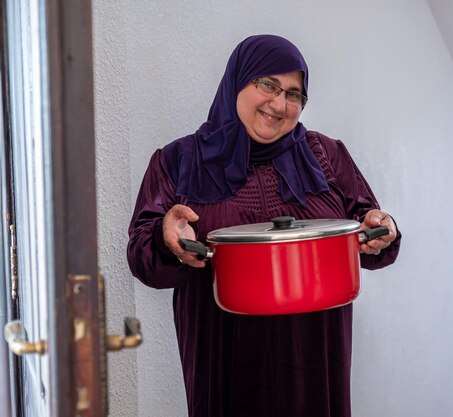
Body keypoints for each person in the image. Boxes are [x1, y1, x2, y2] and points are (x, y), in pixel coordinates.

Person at [127, 34, 401, 417]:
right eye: (267, 85)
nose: (279, 103)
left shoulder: (328, 157)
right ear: (239, 80)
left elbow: (371, 236)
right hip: (222, 355)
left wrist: (381, 230)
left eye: (294, 94)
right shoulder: (178, 161)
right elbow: (143, 260)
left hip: (316, 357)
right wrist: (164, 238)